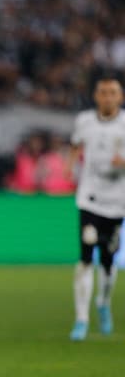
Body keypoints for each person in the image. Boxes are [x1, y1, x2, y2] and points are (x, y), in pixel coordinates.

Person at [67, 76, 125, 341]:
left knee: (108, 263)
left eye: (113, 92)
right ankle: (81, 319)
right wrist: (70, 168)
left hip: (117, 203)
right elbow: (75, 145)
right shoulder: (85, 121)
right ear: (96, 96)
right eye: (103, 92)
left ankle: (103, 302)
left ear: (120, 97)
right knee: (85, 258)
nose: (108, 97)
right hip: (89, 198)